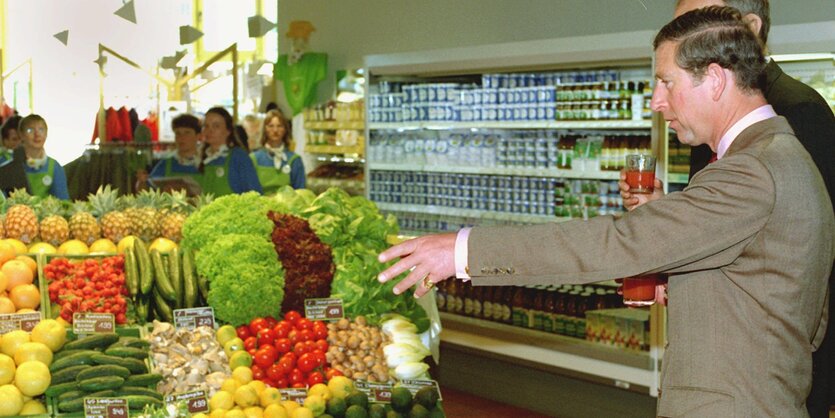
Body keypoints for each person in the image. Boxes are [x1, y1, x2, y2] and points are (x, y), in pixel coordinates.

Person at [378, 7, 834, 417]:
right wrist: (690, 289)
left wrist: (461, 251)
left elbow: (619, 242)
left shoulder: (752, 171)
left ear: (714, 79)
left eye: (666, 81)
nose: (656, 101)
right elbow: (792, 304)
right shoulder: (782, 155)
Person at [621, 2, 835, 416]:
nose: (685, 33)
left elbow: (805, 246)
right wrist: (667, 211)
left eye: (701, 22)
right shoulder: (707, 112)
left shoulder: (798, 111)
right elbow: (731, 228)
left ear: (749, 27)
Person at [198, 107, 262, 196]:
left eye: (216, 126)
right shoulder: (204, 158)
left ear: (228, 131)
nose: (209, 130)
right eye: (206, 126)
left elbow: (255, 194)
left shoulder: (238, 157)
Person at [249, 109, 305, 193]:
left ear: (285, 129)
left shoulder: (294, 160)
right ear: (265, 129)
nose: (275, 130)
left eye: (279, 126)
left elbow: (301, 191)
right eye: (271, 126)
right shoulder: (254, 159)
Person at [148, 113, 203, 193]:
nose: (181, 137)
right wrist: (141, 181)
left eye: (187, 132)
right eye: (178, 133)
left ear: (198, 136)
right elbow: (147, 188)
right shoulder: (166, 163)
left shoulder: (207, 163)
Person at [17, 114, 68, 199]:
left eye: (41, 130)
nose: (37, 134)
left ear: (46, 134)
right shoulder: (10, 164)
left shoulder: (55, 167)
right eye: (30, 130)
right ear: (21, 135)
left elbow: (63, 201)